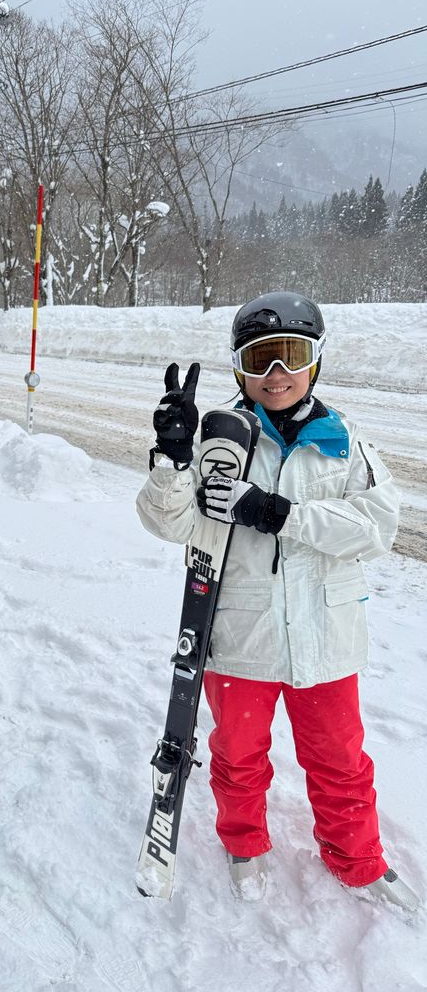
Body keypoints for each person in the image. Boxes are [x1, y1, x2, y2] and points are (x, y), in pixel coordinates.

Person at [136, 291, 420, 910]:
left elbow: (378, 527)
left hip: (325, 637)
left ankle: (358, 858)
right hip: (241, 641)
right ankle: (244, 843)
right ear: (239, 367)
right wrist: (173, 463)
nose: (276, 375)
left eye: (290, 357)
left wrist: (279, 513)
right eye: (260, 360)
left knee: (341, 761)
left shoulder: (342, 441)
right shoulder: (224, 440)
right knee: (238, 757)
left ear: (314, 362)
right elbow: (169, 523)